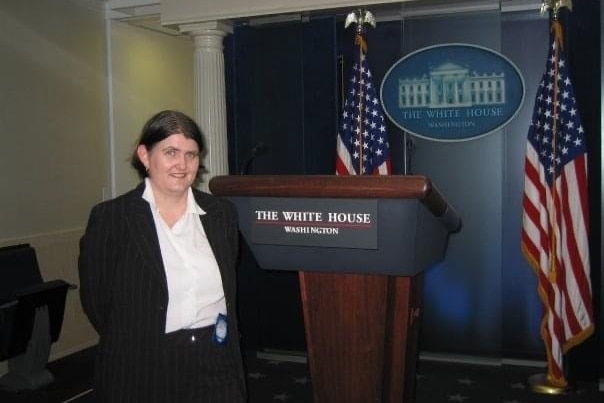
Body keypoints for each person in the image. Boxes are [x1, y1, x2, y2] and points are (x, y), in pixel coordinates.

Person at [78, 110, 247, 402]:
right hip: (143, 361)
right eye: (171, 152)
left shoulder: (221, 214)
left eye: (191, 155)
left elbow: (228, 283)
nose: (182, 164)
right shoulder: (112, 218)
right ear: (144, 155)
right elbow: (97, 301)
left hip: (215, 355)